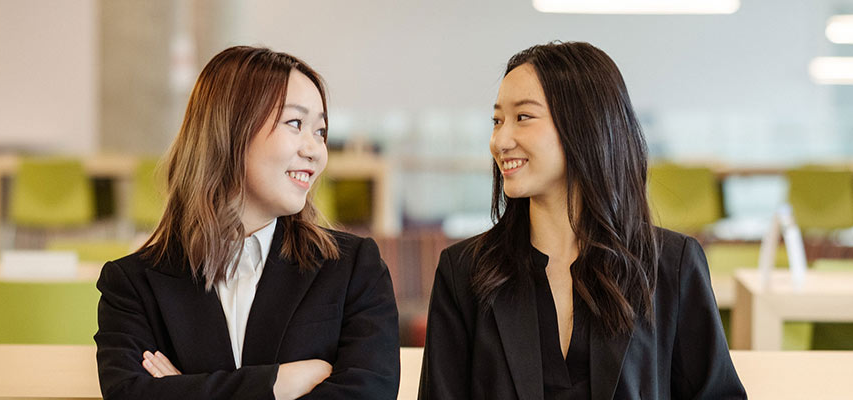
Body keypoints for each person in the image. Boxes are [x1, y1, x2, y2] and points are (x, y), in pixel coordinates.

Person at [418, 41, 745, 399]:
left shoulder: (671, 265)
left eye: (522, 117)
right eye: (497, 121)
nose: (500, 140)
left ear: (584, 125)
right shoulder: (464, 272)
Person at [95, 46, 400, 400]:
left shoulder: (354, 267)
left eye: (320, 131)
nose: (315, 150)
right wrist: (276, 385)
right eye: (296, 123)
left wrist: (184, 388)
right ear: (231, 128)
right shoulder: (133, 284)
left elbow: (368, 393)